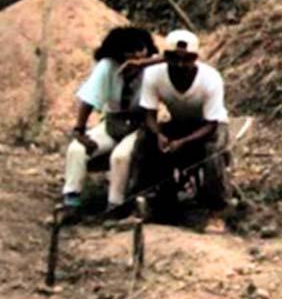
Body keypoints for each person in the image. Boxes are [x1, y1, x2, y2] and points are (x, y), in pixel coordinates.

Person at [61, 26, 159, 219]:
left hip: (138, 126)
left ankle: (115, 206)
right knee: (76, 150)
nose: (137, 54)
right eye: (130, 50)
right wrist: (80, 130)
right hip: (113, 123)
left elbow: (178, 60)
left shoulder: (153, 68)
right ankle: (71, 203)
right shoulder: (107, 66)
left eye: (141, 49)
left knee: (120, 157)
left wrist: (142, 63)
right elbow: (89, 98)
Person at [138, 29, 231, 231]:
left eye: (187, 59)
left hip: (208, 124)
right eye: (174, 58)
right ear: (166, 57)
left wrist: (183, 142)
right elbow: (148, 115)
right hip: (179, 121)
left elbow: (211, 125)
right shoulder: (153, 75)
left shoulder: (210, 78)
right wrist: (159, 135)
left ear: (195, 58)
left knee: (212, 151)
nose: (180, 65)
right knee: (145, 139)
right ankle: (158, 199)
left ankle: (217, 211)